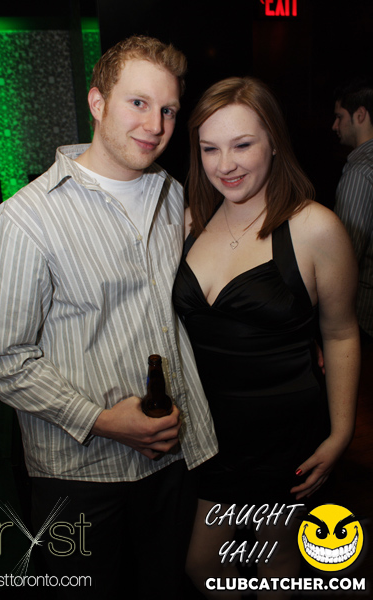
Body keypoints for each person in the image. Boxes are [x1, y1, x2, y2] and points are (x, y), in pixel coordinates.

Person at [0, 35, 217, 599]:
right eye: (138, 103)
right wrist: (104, 420)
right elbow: (1, 359)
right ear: (98, 102)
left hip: (174, 455)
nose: (155, 125)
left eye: (168, 110)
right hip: (80, 474)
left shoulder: (170, 194)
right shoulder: (25, 220)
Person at [172, 77, 360, 598]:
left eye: (242, 145)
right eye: (209, 148)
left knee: (276, 562)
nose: (224, 164)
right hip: (209, 434)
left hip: (284, 435)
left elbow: (341, 333)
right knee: (202, 564)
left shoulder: (315, 227)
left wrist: (340, 434)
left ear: (274, 141)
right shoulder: (188, 222)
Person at [332, 76, 373, 345]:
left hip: (363, 316)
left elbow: (345, 256)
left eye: (339, 117)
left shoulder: (360, 172)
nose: (334, 126)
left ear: (360, 115)